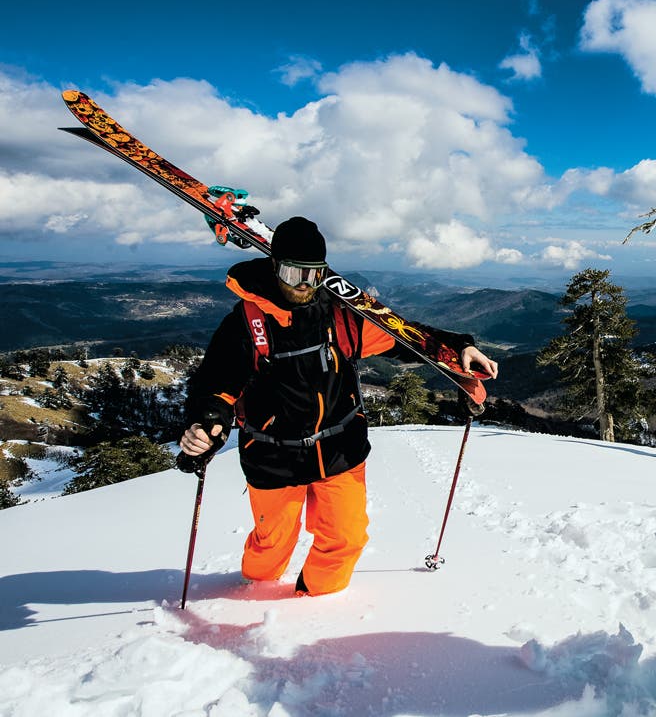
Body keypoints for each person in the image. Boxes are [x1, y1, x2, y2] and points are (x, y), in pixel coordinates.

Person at [178, 217, 498, 596]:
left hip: (340, 449)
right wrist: (208, 421)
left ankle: (315, 606)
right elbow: (216, 383)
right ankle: (251, 592)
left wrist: (457, 348)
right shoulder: (247, 323)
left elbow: (406, 338)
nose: (302, 284)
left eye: (312, 275)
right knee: (271, 545)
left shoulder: (343, 318)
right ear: (273, 266)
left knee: (346, 539)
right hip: (271, 454)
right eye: (292, 272)